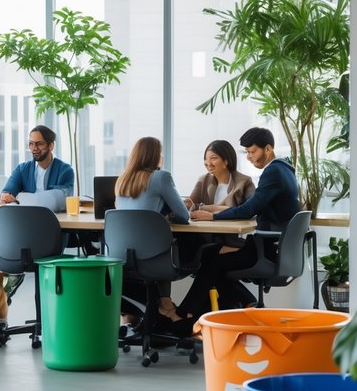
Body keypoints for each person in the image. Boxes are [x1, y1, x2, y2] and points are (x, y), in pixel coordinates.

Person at [177, 127, 300, 321]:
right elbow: (252, 208)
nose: (250, 157)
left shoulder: (273, 172)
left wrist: (213, 217)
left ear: (268, 149)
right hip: (274, 247)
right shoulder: (285, 169)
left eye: (253, 152)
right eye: (247, 153)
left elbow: (248, 209)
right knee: (209, 256)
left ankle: (184, 314)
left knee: (212, 264)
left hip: (268, 250)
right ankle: (245, 305)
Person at [114, 136, 189, 323]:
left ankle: (148, 312)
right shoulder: (161, 177)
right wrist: (168, 215)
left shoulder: (122, 179)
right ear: (155, 156)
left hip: (122, 257)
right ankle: (168, 307)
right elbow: (184, 216)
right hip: (154, 258)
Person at [0, 125, 75, 205]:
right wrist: (6, 196)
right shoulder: (22, 169)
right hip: (27, 216)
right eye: (31, 143)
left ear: (51, 146)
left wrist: (22, 198)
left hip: (54, 216)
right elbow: (8, 190)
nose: (34, 148)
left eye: (40, 144)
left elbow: (62, 199)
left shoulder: (65, 170)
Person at [184, 139, 256, 214]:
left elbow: (249, 209)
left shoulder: (245, 182)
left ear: (226, 161)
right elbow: (189, 205)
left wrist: (203, 208)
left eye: (213, 158)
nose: (208, 163)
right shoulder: (203, 180)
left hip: (233, 225)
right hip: (206, 225)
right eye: (206, 159)